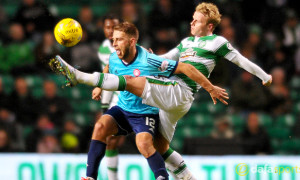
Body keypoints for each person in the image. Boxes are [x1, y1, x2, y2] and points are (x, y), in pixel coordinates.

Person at [50, 21, 228, 180]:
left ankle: (161, 177)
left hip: (145, 113)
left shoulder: (150, 60)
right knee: (100, 127)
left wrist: (210, 87)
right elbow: (109, 66)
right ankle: (90, 177)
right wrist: (99, 86)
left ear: (132, 41)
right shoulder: (114, 56)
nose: (114, 44)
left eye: (119, 40)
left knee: (144, 144)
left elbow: (185, 67)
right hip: (123, 109)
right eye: (113, 40)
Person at [97, 14, 125, 180]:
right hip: (118, 99)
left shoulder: (129, 44)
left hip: (139, 95)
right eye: (107, 27)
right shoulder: (104, 50)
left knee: (150, 142)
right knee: (110, 140)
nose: (110, 31)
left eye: (114, 27)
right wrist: (104, 107)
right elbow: (108, 80)